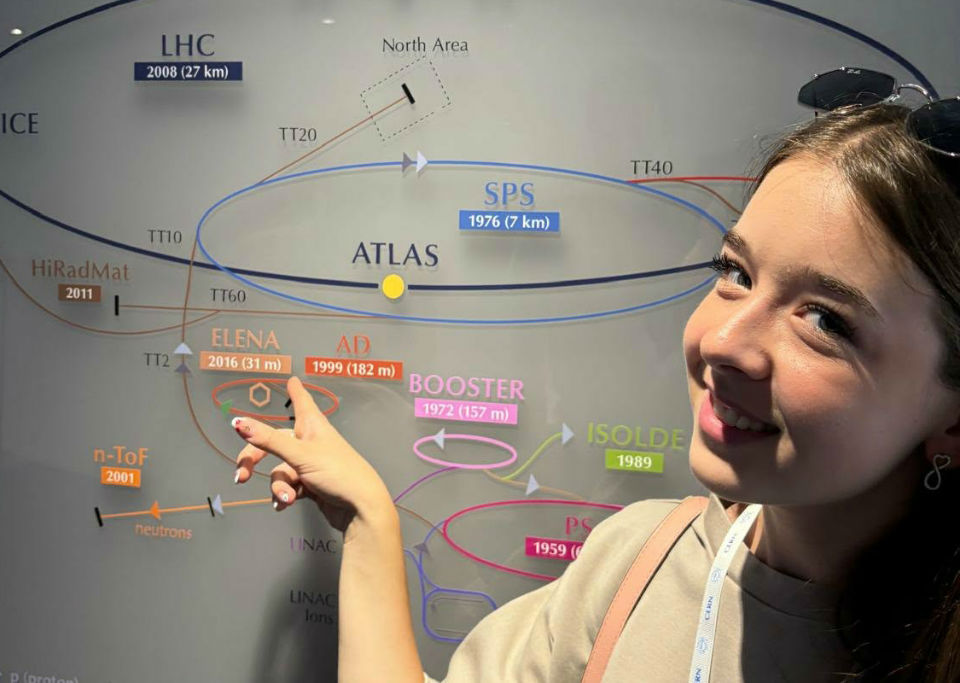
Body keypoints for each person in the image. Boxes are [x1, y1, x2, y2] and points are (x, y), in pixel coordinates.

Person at [229, 98, 960, 682]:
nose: (723, 342)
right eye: (736, 272)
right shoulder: (636, 564)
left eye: (825, 320)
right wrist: (368, 517)